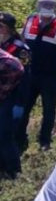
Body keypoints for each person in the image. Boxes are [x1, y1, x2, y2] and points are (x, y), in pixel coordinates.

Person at [17, 0, 56, 151]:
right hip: (29, 74)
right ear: (39, 5)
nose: (47, 7)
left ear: (55, 6)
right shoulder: (30, 21)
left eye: (50, 4)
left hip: (51, 76)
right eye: (44, 4)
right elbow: (20, 43)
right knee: (24, 107)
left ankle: (45, 141)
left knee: (49, 110)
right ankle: (20, 139)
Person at [0, 12, 31, 177]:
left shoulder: (20, 49)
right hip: (2, 95)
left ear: (10, 30)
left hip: (13, 97)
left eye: (1, 27)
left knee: (5, 135)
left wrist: (20, 103)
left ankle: (13, 170)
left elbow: (25, 79)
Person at [0, 47, 24, 179]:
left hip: (10, 98)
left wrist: (3, 91)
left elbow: (19, 68)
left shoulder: (8, 62)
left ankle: (14, 171)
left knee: (4, 134)